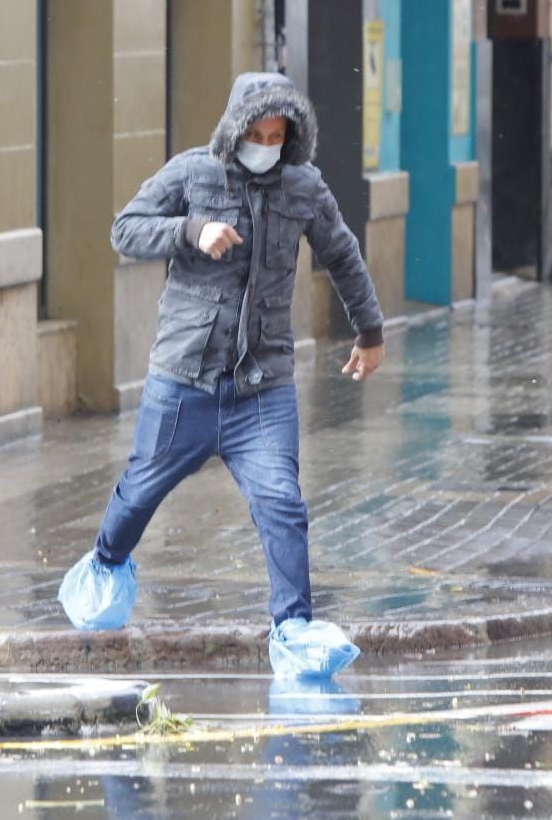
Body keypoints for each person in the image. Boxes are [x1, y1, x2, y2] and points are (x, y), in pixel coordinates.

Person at [62, 73, 386, 665]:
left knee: (282, 503)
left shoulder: (303, 187)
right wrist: (191, 230)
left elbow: (341, 253)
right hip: (184, 380)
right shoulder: (192, 173)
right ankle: (105, 567)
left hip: (262, 386)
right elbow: (125, 229)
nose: (265, 143)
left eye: (277, 134)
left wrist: (370, 331)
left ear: (290, 136)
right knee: (138, 493)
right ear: (235, 130)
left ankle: (293, 627)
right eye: (256, 133)